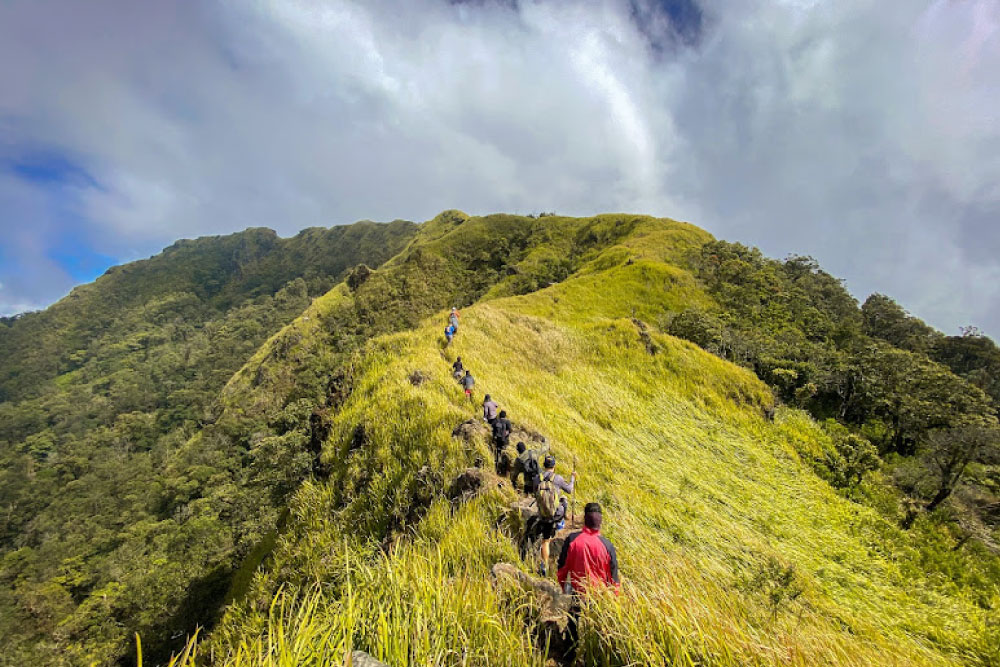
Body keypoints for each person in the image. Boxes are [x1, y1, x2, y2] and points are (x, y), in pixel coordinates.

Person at [557, 502, 619, 594]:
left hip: (576, 594)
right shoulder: (607, 545)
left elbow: (562, 569)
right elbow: (614, 579)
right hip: (600, 596)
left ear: (585, 518)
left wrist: (562, 590)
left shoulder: (572, 539)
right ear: (600, 520)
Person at [533, 454, 575, 576]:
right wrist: (572, 478)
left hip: (543, 515)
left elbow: (535, 494)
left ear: (544, 466)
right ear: (554, 466)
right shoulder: (558, 479)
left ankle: (544, 565)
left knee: (545, 541)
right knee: (564, 501)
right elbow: (569, 490)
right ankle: (560, 525)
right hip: (555, 515)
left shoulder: (536, 479)